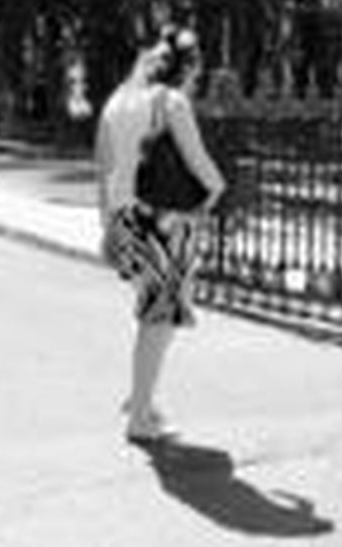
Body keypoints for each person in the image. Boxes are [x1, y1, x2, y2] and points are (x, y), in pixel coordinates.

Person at [94, 25, 226, 447]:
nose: (197, 78)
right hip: (163, 221)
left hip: (125, 217)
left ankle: (140, 399)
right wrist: (219, 188)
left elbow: (103, 169)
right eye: (196, 69)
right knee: (159, 317)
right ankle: (139, 417)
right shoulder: (172, 102)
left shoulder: (118, 101)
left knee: (157, 313)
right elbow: (197, 159)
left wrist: (106, 228)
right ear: (186, 67)